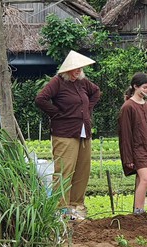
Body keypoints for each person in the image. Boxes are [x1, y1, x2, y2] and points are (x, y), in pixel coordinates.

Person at [35, 50, 101, 219]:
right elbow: (41, 99)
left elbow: (96, 92)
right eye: (75, 69)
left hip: (83, 132)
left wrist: (87, 109)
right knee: (64, 171)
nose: (78, 72)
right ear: (67, 70)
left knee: (82, 170)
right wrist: (57, 113)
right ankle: (61, 209)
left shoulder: (82, 82)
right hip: (64, 133)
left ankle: (76, 206)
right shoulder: (57, 82)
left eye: (80, 69)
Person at [118, 73, 147, 215]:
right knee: (146, 179)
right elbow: (125, 135)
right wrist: (128, 158)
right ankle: (138, 210)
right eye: (144, 87)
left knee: (141, 179)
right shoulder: (128, 107)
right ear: (135, 87)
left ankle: (138, 210)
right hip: (137, 150)